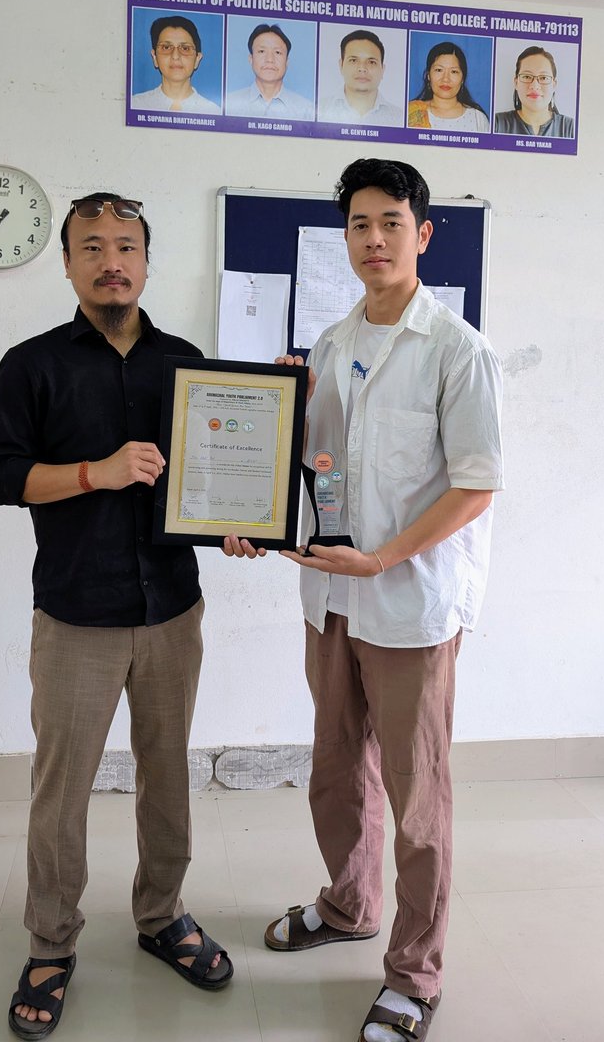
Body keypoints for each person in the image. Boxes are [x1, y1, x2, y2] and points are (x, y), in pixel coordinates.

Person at [224, 157, 503, 1042]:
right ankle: (349, 905)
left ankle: (415, 974)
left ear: (422, 234)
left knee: (418, 800)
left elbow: (476, 486)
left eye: (391, 222)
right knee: (338, 771)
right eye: (358, 225)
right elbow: (309, 468)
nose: (373, 239)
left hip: (410, 602)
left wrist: (382, 558)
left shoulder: (459, 350)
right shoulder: (332, 344)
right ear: (343, 238)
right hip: (330, 598)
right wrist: (246, 507)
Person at [0, 192, 232, 1039]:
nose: (110, 260)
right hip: (77, 613)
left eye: (126, 245)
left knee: (167, 775)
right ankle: (51, 944)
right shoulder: (33, 364)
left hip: (171, 610)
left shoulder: (188, 362)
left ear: (148, 262)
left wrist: (239, 517)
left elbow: (216, 473)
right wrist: (95, 472)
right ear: (69, 264)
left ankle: (162, 916)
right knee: (62, 792)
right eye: (92, 246)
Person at [131, 15, 220, 113]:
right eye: (166, 47)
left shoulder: (212, 111)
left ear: (197, 59)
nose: (175, 56)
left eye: (185, 48)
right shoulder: (136, 105)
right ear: (155, 57)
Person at [224, 22, 314, 119]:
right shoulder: (229, 103)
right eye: (262, 51)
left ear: (287, 62)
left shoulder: (306, 109)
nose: (270, 59)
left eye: (277, 52)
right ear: (251, 59)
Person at [318, 30, 403, 125]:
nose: (362, 68)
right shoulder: (319, 109)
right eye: (353, 60)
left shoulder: (399, 117)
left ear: (382, 70)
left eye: (371, 62)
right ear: (341, 65)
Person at [494, 45, 575, 137]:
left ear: (554, 84)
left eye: (543, 77)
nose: (534, 86)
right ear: (516, 83)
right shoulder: (496, 124)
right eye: (527, 77)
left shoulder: (571, 128)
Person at [407, 41, 490, 131]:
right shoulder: (411, 112)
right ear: (428, 75)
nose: (446, 79)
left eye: (454, 71)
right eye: (439, 70)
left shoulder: (477, 118)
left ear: (462, 78)